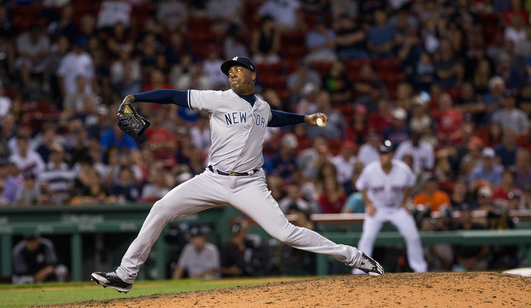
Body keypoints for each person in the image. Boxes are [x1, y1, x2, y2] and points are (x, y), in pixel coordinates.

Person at [92, 56, 384, 293]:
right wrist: (137, 96)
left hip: (249, 183)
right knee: (160, 208)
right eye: (229, 71)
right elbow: (173, 96)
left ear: (253, 75)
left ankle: (354, 257)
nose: (232, 73)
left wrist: (305, 119)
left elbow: (273, 117)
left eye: (238, 69)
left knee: (285, 233)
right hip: (212, 179)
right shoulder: (217, 99)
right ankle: (125, 275)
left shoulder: (263, 107)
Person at [353, 140, 427, 274]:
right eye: (380, 153)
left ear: (392, 155)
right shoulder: (370, 170)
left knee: (413, 236)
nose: (382, 156)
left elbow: (410, 184)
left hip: (396, 208)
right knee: (367, 237)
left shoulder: (403, 169)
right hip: (377, 208)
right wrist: (369, 204)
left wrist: (404, 202)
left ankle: (419, 268)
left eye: (385, 154)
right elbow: (360, 186)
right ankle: (359, 271)